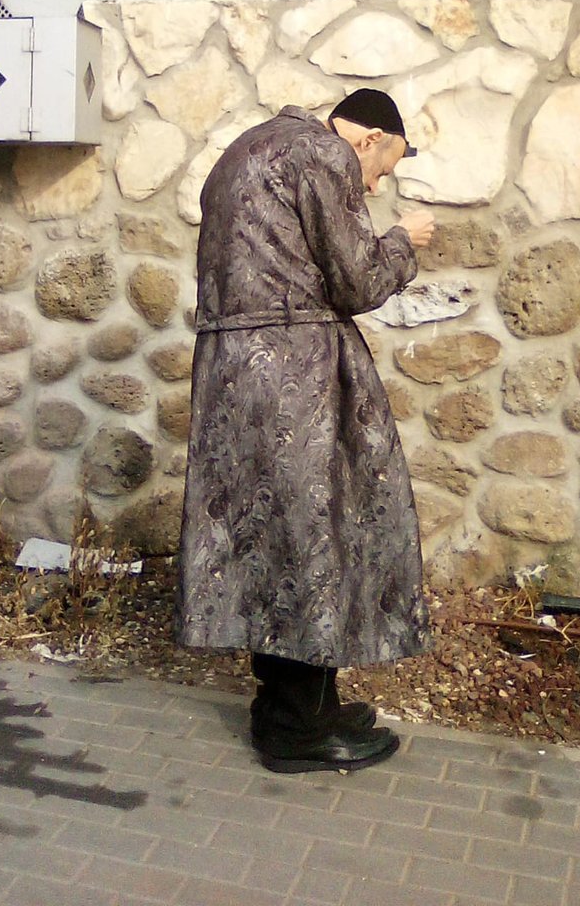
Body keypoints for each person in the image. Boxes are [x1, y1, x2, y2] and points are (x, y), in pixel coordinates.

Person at [175, 88, 435, 774]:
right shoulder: (323, 152)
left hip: (232, 371)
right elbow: (356, 281)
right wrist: (403, 242)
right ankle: (302, 727)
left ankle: (289, 704)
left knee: (270, 537)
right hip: (295, 375)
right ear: (369, 137)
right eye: (382, 167)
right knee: (313, 534)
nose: (375, 182)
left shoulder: (241, 151)